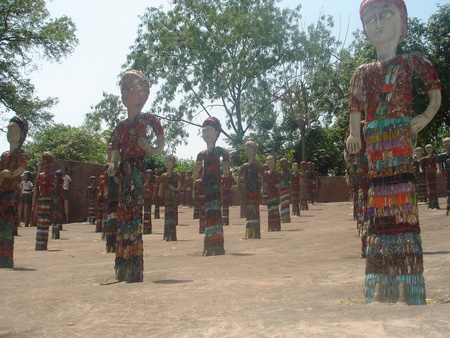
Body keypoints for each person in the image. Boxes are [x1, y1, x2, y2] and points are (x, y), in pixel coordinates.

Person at [346, 0, 441, 305]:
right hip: (375, 144)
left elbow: (434, 96)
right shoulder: (362, 73)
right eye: (371, 18)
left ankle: (409, 285)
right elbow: (355, 111)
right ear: (364, 29)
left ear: (402, 22)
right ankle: (382, 283)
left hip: (400, 139)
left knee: (403, 203)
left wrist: (423, 119)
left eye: (385, 15)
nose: (378, 24)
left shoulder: (412, 62)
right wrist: (353, 134)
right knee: (378, 205)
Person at [107, 70, 164, 282]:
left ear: (142, 93)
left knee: (133, 213)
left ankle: (134, 265)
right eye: (123, 89)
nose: (125, 93)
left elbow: (160, 144)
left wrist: (148, 146)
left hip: (137, 169)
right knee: (124, 214)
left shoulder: (147, 120)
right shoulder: (120, 126)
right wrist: (113, 164)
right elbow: (114, 149)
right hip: (124, 171)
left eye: (130, 88)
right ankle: (123, 263)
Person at [196, 117, 229, 256]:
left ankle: (216, 244)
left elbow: (226, 167)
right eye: (204, 131)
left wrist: (226, 169)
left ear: (216, 133)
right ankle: (210, 242)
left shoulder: (219, 151)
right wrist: (197, 171)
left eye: (209, 130)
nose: (206, 133)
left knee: (215, 211)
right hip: (206, 187)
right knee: (208, 212)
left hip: (215, 186)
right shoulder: (201, 154)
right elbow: (196, 174)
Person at [0, 116, 28, 268]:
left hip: (12, 195)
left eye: (14, 129)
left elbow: (22, 168)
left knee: (7, 224)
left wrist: (9, 174)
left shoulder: (21, 154)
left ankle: (6, 257)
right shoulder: (4, 155)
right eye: (8, 128)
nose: (10, 132)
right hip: (3, 192)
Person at [236, 141, 264, 238]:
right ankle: (249, 232)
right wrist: (238, 187)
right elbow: (239, 177)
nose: (247, 151)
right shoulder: (244, 166)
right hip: (247, 192)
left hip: (255, 191)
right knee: (249, 212)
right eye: (246, 149)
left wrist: (262, 189)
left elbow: (263, 178)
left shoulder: (257, 165)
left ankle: (255, 233)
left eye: (249, 149)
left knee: (255, 211)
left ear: (254, 151)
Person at [35, 152, 56, 251]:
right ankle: (40, 243)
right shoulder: (41, 175)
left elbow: (52, 187)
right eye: (43, 160)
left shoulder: (51, 175)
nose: (44, 163)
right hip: (42, 197)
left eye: (46, 161)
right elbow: (37, 188)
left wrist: (43, 185)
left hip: (47, 198)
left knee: (45, 219)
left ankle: (43, 243)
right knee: (41, 220)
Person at [158, 155, 180, 241]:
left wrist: (173, 189)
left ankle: (172, 235)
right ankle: (167, 235)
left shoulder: (176, 175)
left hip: (172, 198)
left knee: (172, 216)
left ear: (173, 163)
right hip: (166, 199)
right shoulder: (163, 176)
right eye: (166, 161)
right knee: (167, 217)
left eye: (169, 161)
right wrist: (160, 192)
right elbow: (160, 188)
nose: (167, 163)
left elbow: (178, 188)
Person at [264, 155, 281, 232]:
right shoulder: (265, 174)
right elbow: (263, 183)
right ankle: (271, 226)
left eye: (271, 161)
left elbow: (282, 182)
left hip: (274, 193)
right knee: (270, 210)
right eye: (268, 161)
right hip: (269, 193)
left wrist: (278, 185)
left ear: (274, 162)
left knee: (275, 209)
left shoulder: (277, 173)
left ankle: (276, 226)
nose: (270, 162)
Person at [420, 144, 439, 209]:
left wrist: (438, 170)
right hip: (428, 174)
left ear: (432, 148)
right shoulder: (423, 159)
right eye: (427, 148)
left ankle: (436, 204)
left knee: (435, 189)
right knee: (429, 189)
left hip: (434, 174)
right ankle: (430, 205)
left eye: (429, 147)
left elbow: (438, 165)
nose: (428, 149)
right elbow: (421, 167)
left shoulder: (435, 157)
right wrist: (421, 170)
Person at [438, 137, 450, 216]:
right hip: (447, 174)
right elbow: (439, 166)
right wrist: (440, 170)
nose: (446, 143)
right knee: (449, 190)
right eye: (445, 142)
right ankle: (448, 208)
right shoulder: (442, 155)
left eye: (448, 142)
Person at [52, 170, 64, 239]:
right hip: (55, 200)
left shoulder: (60, 185)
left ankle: (56, 231)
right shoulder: (55, 184)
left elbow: (61, 194)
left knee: (58, 215)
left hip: (58, 201)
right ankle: (55, 232)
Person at [142, 169, 156, 234]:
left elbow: (154, 192)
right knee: (145, 214)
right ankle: (145, 228)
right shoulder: (144, 184)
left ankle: (148, 229)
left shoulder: (152, 184)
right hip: (145, 200)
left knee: (148, 213)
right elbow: (142, 190)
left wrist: (152, 197)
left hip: (149, 200)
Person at [279, 158, 292, 223]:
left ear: (287, 164)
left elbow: (293, 179)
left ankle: (286, 218)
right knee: (282, 204)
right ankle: (283, 217)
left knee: (286, 204)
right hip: (281, 190)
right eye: (280, 163)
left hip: (286, 189)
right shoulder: (279, 173)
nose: (282, 165)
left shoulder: (288, 173)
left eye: (283, 163)